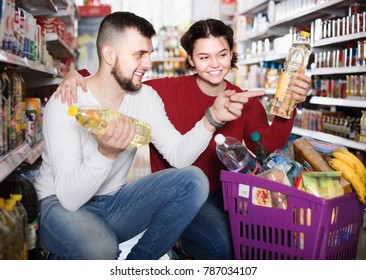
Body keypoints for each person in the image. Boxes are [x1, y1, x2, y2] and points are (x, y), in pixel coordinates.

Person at [55, 19, 311, 259]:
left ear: (231, 53)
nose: (215, 64)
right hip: (181, 197)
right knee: (222, 243)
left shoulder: (244, 99)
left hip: (228, 192)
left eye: (222, 54)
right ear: (190, 58)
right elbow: (115, 78)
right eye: (204, 57)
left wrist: (291, 106)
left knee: (276, 234)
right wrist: (77, 74)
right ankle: (177, 242)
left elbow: (266, 149)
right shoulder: (163, 91)